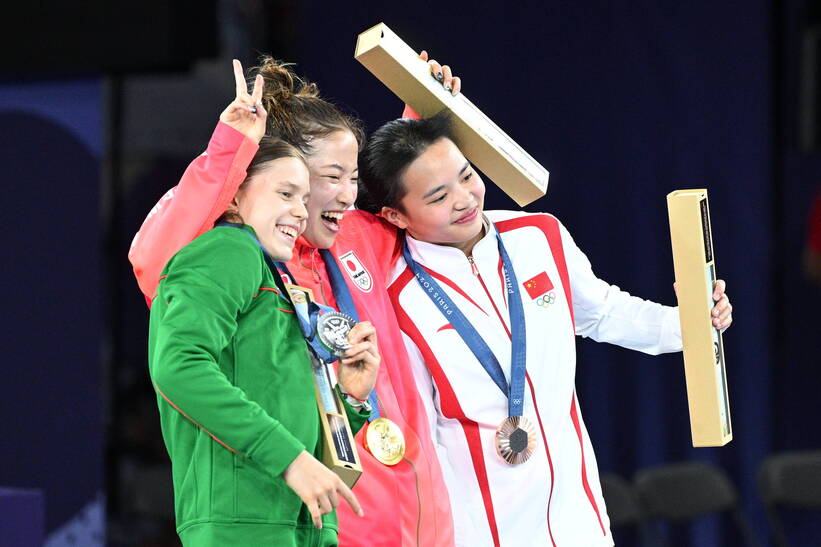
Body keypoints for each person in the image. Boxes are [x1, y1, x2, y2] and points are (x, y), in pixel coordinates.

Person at [356, 112, 734, 547]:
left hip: (579, 516)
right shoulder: (396, 297)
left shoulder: (538, 236)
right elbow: (424, 439)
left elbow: (602, 312)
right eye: (439, 196)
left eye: (466, 175)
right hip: (486, 527)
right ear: (395, 215)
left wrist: (688, 323)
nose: (464, 199)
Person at [130, 58, 460, 546]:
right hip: (300, 515)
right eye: (325, 180)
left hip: (403, 515)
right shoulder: (234, 254)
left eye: (353, 178)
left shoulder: (356, 239)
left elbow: (427, 200)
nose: (349, 196)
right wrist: (231, 150)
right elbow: (156, 259)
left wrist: (423, 116)